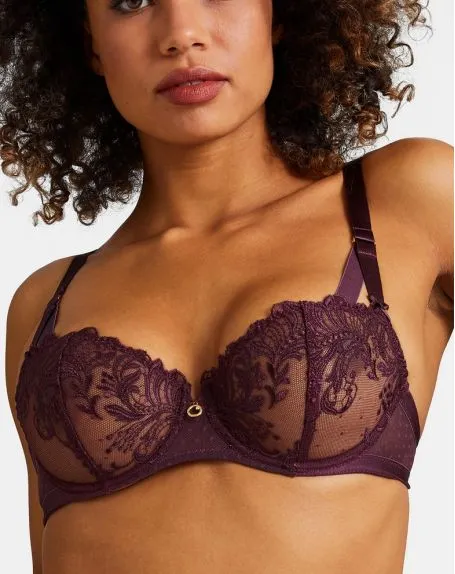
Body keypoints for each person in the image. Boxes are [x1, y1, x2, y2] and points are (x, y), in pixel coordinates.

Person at [2, 1, 453, 573]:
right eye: (131, 2)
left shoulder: (408, 201)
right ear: (90, 40)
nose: (181, 34)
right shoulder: (45, 303)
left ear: (279, 13)